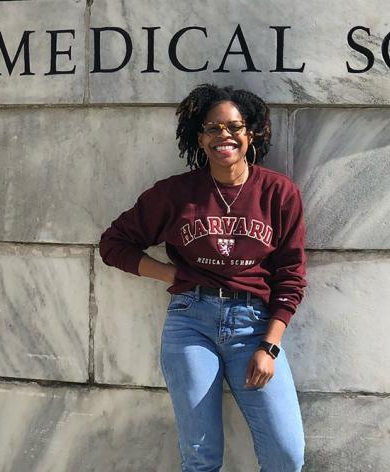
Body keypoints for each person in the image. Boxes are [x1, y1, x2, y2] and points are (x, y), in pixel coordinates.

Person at [99, 83, 306, 471]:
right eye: (212, 128)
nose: (223, 136)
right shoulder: (177, 193)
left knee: (286, 455)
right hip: (191, 323)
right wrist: (171, 274)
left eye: (233, 127)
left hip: (254, 326)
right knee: (201, 456)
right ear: (199, 136)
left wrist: (271, 346)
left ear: (251, 133)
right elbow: (114, 244)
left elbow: (291, 276)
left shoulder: (278, 193)